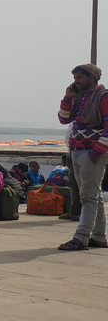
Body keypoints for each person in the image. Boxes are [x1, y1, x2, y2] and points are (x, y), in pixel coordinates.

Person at [57, 63, 108, 250]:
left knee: (87, 197)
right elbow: (64, 118)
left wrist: (96, 153)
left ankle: (81, 237)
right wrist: (67, 98)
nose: (76, 81)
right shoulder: (79, 97)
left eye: (80, 77)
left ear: (92, 77)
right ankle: (100, 236)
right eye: (75, 78)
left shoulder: (103, 96)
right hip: (77, 150)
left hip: (91, 153)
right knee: (93, 196)